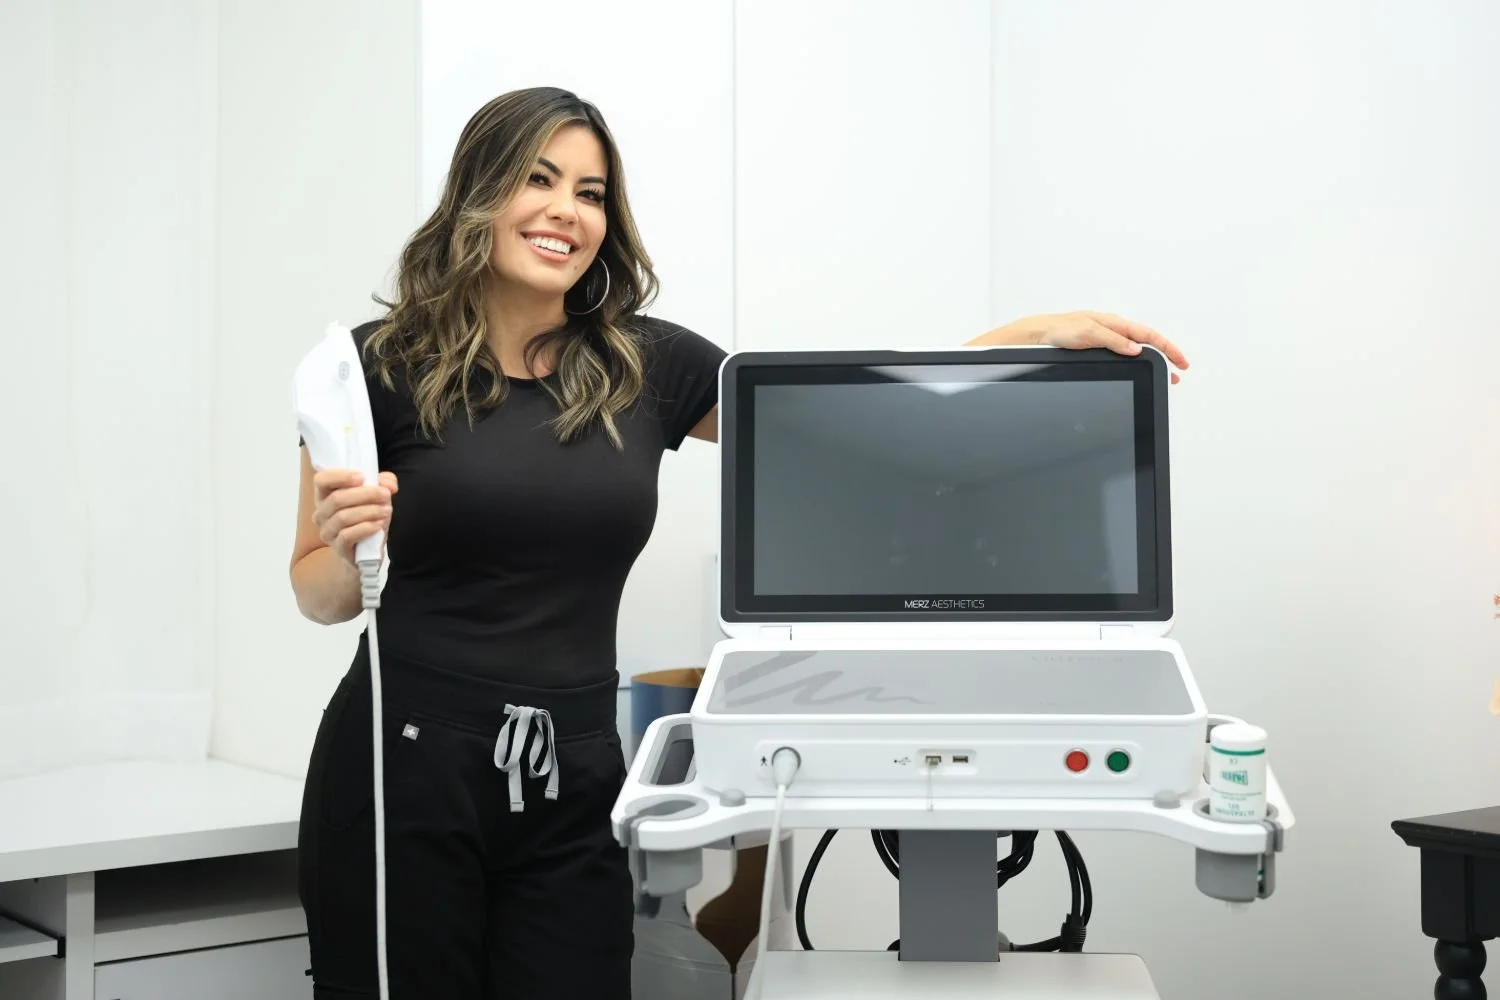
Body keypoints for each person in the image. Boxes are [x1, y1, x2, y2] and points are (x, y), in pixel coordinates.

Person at [288, 85, 1189, 1000]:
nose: (567, 211)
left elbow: (844, 422)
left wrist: (1023, 340)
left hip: (580, 767)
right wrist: (342, 539)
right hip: (401, 767)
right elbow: (318, 591)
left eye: (592, 193)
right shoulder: (375, 366)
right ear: (481, 190)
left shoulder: (646, 362)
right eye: (539, 179)